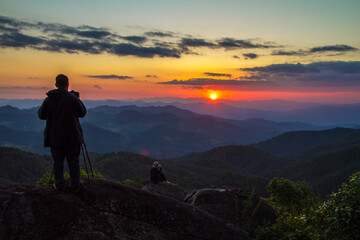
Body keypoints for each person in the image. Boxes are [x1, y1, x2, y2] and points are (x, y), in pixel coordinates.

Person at [38, 74, 86, 192]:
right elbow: (82, 113)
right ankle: (75, 186)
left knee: (58, 161)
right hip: (72, 137)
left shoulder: (49, 99)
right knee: (73, 162)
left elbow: (41, 115)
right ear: (67, 84)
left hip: (55, 137)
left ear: (56, 84)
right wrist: (77, 98)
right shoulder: (72, 99)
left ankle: (59, 184)